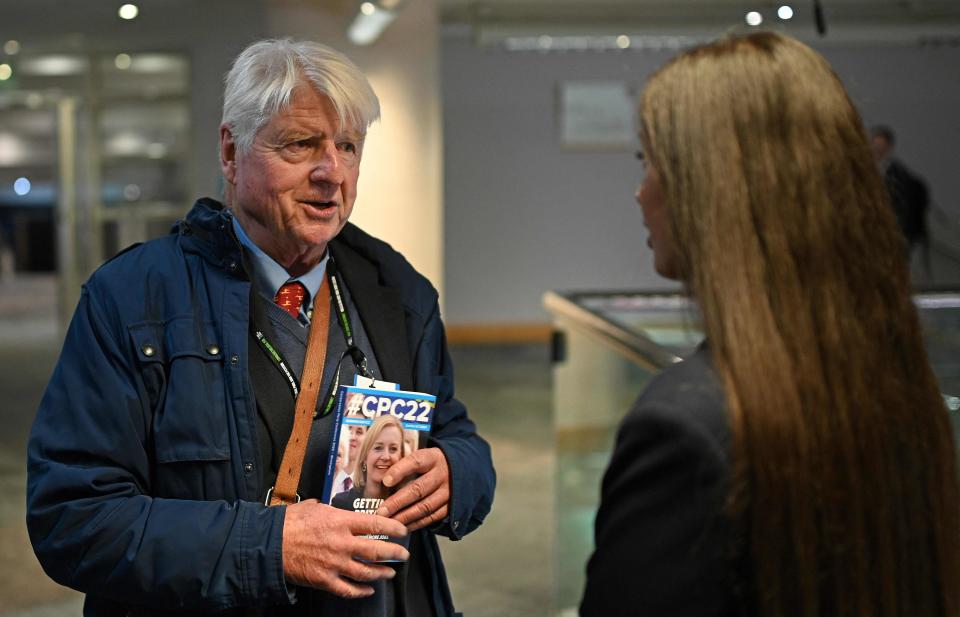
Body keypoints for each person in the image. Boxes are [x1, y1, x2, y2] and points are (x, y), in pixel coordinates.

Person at [27, 38, 495, 617]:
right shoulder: (131, 298)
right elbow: (72, 519)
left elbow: (457, 433)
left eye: (348, 147)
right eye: (301, 145)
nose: (331, 172)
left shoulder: (397, 290)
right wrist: (267, 546)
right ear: (231, 151)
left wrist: (458, 473)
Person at [580, 32, 959, 617]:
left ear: (709, 187)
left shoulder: (686, 426)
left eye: (650, 160)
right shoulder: (896, 381)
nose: (640, 190)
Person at [870, 124, 931, 275]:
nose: (877, 150)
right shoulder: (870, 172)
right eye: (875, 146)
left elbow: (905, 210)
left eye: (880, 146)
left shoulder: (899, 176)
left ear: (889, 148)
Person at [332, 415, 407, 510]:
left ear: (401, 456)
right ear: (365, 457)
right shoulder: (340, 504)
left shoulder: (407, 505)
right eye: (378, 448)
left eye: (393, 449)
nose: (385, 457)